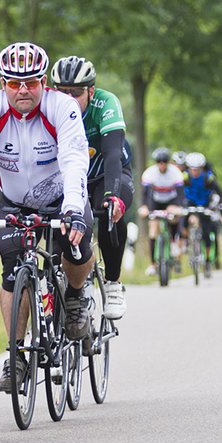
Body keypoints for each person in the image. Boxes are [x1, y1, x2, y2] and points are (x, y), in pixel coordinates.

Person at [0, 43, 93, 391]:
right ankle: (16, 355)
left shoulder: (61, 107)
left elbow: (75, 158)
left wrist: (74, 210)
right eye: (14, 83)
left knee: (75, 247)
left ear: (43, 81)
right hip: (14, 201)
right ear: (3, 82)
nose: (23, 90)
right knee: (10, 273)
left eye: (31, 82)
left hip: (64, 198)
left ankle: (76, 296)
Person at [50, 55, 131, 319]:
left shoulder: (105, 104)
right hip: (67, 178)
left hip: (103, 175)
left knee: (109, 210)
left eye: (76, 92)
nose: (69, 98)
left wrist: (113, 195)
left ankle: (113, 282)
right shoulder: (49, 106)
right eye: (62, 92)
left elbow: (112, 154)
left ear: (91, 91)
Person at [138, 147, 186, 274]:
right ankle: (153, 264)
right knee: (153, 230)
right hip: (156, 201)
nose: (162, 164)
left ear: (168, 162)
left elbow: (181, 194)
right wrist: (144, 207)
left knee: (174, 217)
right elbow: (145, 194)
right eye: (159, 162)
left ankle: (174, 242)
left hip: (171, 200)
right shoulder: (149, 173)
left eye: (165, 161)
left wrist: (179, 207)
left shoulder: (175, 173)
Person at [180, 152, 222, 268]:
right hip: (190, 201)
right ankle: (186, 242)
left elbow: (220, 193)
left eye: (197, 169)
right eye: (192, 169)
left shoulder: (208, 177)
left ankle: (208, 260)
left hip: (205, 203)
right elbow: (178, 191)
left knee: (206, 232)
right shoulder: (184, 176)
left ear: (201, 168)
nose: (194, 172)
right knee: (184, 220)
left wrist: (220, 208)